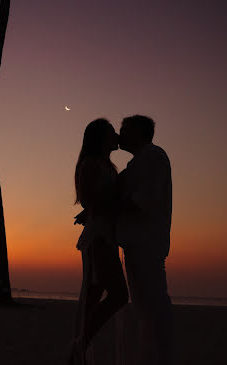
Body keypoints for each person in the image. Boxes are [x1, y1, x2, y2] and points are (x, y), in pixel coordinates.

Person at [70, 118, 129, 364]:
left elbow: (94, 199)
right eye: (111, 132)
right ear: (100, 138)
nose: (116, 135)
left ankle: (79, 350)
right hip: (100, 236)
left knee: (93, 298)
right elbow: (88, 198)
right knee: (118, 295)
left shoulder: (103, 165)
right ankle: (79, 347)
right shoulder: (93, 164)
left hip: (104, 235)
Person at [117, 115, 173, 365]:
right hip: (139, 244)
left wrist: (106, 207)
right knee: (145, 309)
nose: (120, 135)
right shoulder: (139, 162)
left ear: (139, 133)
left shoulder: (152, 157)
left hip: (146, 245)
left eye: (124, 130)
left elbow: (142, 201)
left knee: (152, 309)